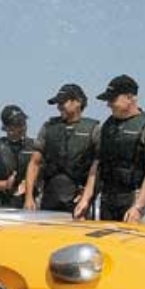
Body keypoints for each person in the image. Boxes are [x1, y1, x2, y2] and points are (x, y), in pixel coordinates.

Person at [74, 75, 145, 224]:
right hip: (108, 198)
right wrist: (86, 199)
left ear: (130, 98)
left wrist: (138, 207)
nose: (108, 104)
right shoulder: (108, 126)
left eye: (112, 100)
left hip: (133, 197)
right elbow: (97, 164)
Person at [24, 84, 99, 214]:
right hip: (50, 196)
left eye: (62, 103)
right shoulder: (48, 127)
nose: (59, 107)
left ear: (78, 102)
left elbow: (98, 167)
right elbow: (34, 162)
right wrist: (29, 197)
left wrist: (87, 197)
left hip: (78, 200)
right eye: (57, 104)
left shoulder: (94, 129)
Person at [0, 105, 36, 208]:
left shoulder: (35, 146)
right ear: (6, 128)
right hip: (3, 204)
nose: (22, 126)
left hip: (30, 202)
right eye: (17, 124)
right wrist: (6, 184)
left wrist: (29, 184)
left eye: (23, 122)